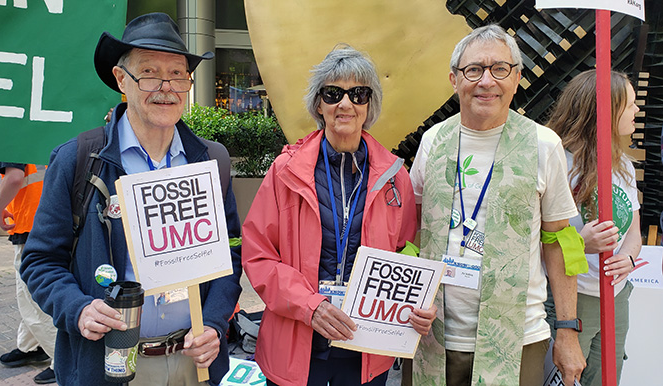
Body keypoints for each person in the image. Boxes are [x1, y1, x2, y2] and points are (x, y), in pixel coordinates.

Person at [20, 13, 242, 386]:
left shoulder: (210, 160)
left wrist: (216, 324)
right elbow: (40, 260)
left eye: (176, 74)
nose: (166, 87)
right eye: (150, 72)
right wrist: (77, 308)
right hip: (109, 363)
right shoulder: (78, 159)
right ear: (122, 80)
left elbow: (230, 253)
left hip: (192, 364)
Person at [241, 45, 437, 386]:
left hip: (365, 350)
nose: (345, 104)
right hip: (296, 344)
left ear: (369, 105)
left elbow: (406, 253)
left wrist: (417, 304)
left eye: (358, 94)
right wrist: (310, 305)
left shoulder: (395, 178)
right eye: (333, 93)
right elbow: (258, 256)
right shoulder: (284, 172)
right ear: (319, 104)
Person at [409, 24, 587, 386]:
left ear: (517, 77)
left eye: (500, 69)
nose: (486, 81)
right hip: (432, 336)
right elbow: (412, 230)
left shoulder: (543, 144)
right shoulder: (432, 141)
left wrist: (567, 330)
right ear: (454, 79)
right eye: (473, 70)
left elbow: (559, 243)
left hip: (517, 338)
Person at [545, 69, 642, 386]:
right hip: (571, 299)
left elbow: (634, 233)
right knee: (563, 379)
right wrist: (580, 243)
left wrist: (627, 257)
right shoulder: (557, 162)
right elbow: (530, 238)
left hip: (615, 296)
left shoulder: (622, 164)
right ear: (606, 111)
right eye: (630, 104)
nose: (637, 111)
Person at [0, 162, 57, 384]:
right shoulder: (48, 128)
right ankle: (30, 346)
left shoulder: (10, 132)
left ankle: (61, 358)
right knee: (35, 293)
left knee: (30, 299)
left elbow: (14, 178)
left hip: (29, 224)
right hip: (53, 220)